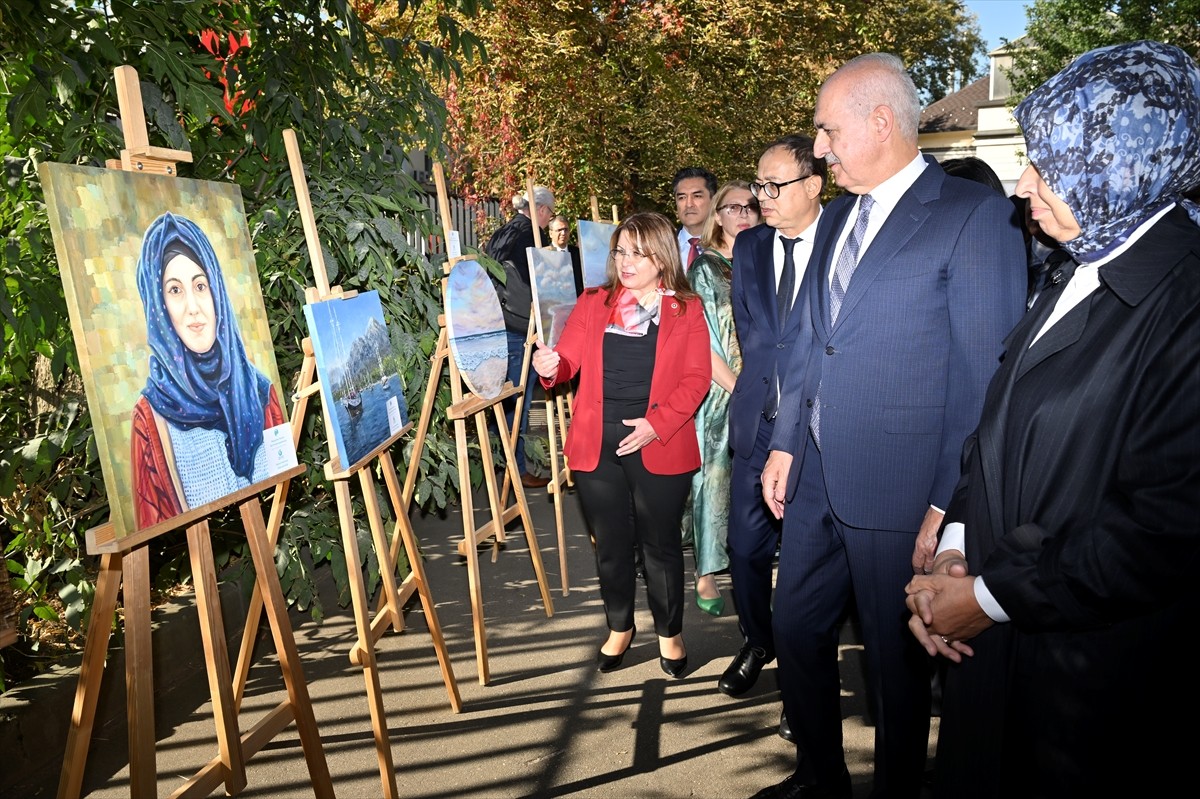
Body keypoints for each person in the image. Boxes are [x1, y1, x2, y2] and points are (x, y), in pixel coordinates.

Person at [905, 40, 1200, 799]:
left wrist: (989, 595)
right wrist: (957, 551)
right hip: (995, 661)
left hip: (1089, 694)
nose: (1022, 185)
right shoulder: (1077, 260)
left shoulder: (1185, 303)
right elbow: (997, 424)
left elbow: (1163, 527)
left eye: (1049, 163)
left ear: (1124, 164)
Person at [754, 53, 1026, 799]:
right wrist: (783, 446)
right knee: (795, 629)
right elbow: (812, 338)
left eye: (826, 130)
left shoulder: (975, 217)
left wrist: (948, 506)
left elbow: (982, 382)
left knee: (895, 669)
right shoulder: (837, 217)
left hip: (905, 497)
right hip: (814, 482)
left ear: (881, 121)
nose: (819, 149)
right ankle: (820, 775)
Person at [531, 212, 711, 679]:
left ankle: (670, 633)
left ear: (661, 257)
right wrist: (550, 364)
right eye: (620, 252)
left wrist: (657, 424)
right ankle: (620, 628)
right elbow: (566, 362)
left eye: (638, 252)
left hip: (659, 439)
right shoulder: (594, 302)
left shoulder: (685, 308)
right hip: (598, 442)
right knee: (610, 544)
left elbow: (696, 379)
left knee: (661, 545)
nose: (626, 262)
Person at [720, 136, 825, 713]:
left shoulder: (844, 241)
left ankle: (803, 681)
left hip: (815, 430)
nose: (762, 197)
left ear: (814, 185)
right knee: (746, 550)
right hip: (757, 424)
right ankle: (758, 642)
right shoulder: (750, 246)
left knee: (807, 564)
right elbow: (753, 334)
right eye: (758, 184)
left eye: (775, 185)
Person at [131, 212, 285, 529]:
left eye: (201, 285)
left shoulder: (260, 393)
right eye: (174, 290)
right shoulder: (149, 423)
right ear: (156, 306)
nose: (193, 307)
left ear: (216, 291)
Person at [681, 180, 760, 618]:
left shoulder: (766, 261)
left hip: (763, 388)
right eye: (733, 207)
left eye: (751, 206)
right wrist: (737, 387)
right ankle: (706, 571)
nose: (743, 214)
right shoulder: (705, 269)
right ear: (718, 216)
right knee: (713, 477)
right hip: (719, 390)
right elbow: (703, 344)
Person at [485, 185, 556, 488]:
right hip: (517, 327)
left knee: (499, 400)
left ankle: (495, 465)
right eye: (550, 215)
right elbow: (537, 283)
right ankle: (517, 470)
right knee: (518, 401)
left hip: (494, 323)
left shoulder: (501, 233)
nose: (549, 222)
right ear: (541, 210)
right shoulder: (530, 236)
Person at [672, 167, 717, 270]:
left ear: (713, 200)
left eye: (697, 196)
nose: (688, 204)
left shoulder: (730, 247)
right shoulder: (662, 248)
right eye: (682, 197)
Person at [544, 214, 584, 296]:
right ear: (551, 233)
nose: (563, 233)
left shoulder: (578, 253)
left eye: (566, 229)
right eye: (559, 230)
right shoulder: (544, 254)